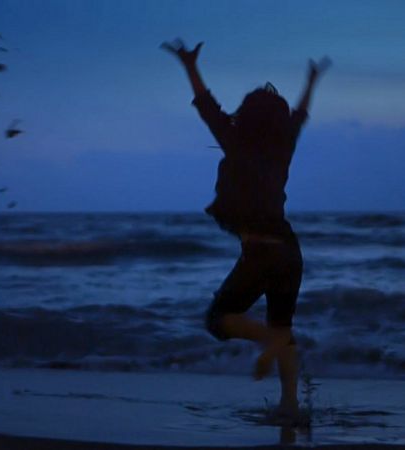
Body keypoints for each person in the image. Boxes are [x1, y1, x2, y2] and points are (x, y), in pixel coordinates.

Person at [161, 39, 329, 419]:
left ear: (246, 115)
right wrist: (312, 81)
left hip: (261, 252)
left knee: (218, 320)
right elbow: (300, 114)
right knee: (283, 325)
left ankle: (269, 341)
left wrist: (189, 65)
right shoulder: (284, 144)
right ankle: (291, 408)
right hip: (290, 250)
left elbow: (206, 106)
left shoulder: (235, 143)